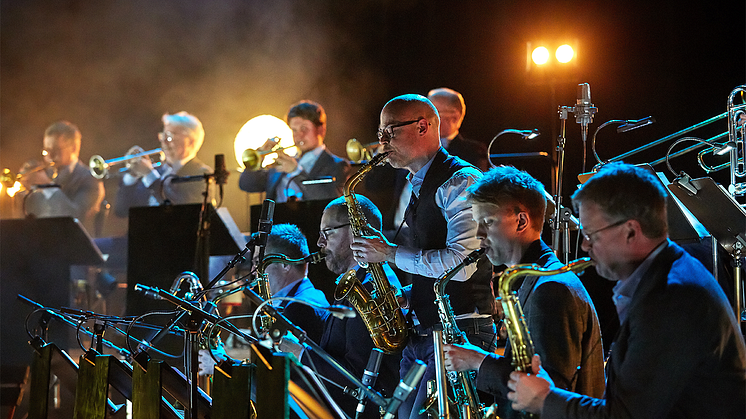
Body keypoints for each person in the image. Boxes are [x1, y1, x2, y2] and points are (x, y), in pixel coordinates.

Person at [506, 162, 746, 419]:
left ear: (631, 231)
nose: (585, 246)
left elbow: (625, 416)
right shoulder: (665, 278)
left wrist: (544, 399)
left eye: (591, 234)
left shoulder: (671, 297)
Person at [351, 94, 496, 419]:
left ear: (422, 126)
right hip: (423, 334)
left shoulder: (461, 180)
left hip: (459, 332)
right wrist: (403, 295)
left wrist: (388, 253)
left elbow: (461, 265)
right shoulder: (417, 184)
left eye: (390, 131)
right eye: (380, 133)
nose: (382, 142)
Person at [441, 165, 605, 419]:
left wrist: (477, 361)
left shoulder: (551, 290)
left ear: (521, 221)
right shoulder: (534, 281)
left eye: (487, 222)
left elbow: (549, 391)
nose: (479, 235)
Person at [312, 195, 403, 419]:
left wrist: (301, 355)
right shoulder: (356, 281)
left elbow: (357, 377)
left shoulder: (372, 288)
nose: (320, 243)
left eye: (328, 233)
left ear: (356, 230)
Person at [238, 100, 350, 202]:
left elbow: (332, 201)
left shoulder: (338, 165)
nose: (299, 136)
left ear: (321, 130)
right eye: (294, 130)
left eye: (304, 129)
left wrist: (296, 172)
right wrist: (260, 154)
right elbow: (247, 185)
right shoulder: (283, 163)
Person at [113, 111, 212, 217]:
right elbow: (121, 211)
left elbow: (182, 210)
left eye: (169, 137)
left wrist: (149, 175)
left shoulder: (202, 174)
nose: (164, 142)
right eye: (163, 136)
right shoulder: (158, 172)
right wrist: (131, 177)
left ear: (190, 141)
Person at [22, 121, 105, 231]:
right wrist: (23, 193)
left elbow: (75, 218)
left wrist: (47, 186)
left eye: (56, 150)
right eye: (47, 150)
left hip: (74, 245)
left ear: (74, 148)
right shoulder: (47, 174)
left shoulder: (90, 178)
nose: (50, 156)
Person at [427, 87, 489, 171]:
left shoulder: (474, 151)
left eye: (433, 113)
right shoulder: (413, 146)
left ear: (455, 118)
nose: (424, 119)